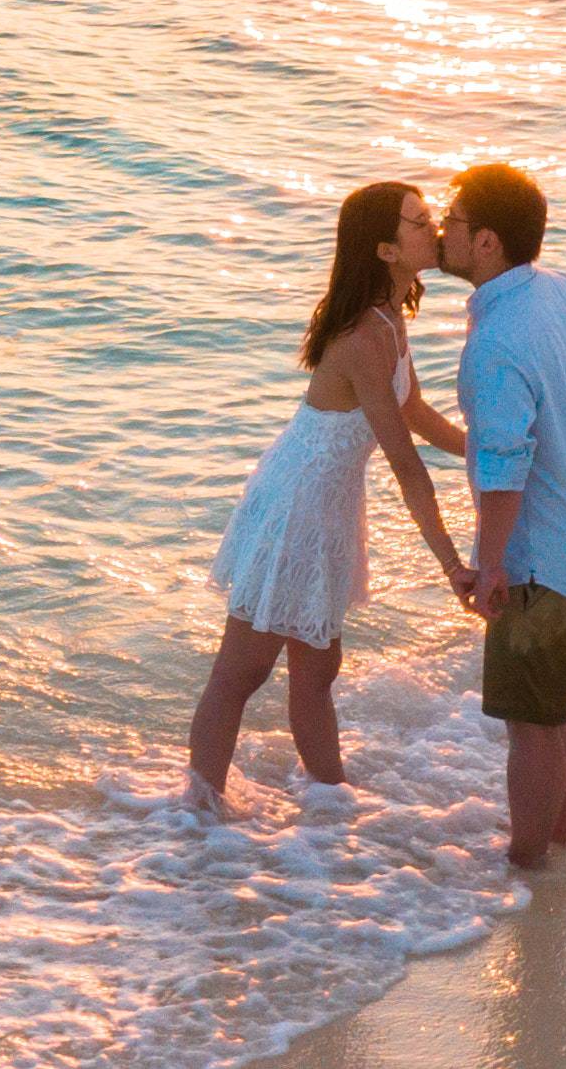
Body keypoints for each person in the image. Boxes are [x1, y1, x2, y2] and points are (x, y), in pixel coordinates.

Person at [187, 180, 478, 815]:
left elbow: (416, 411)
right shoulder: (361, 340)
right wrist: (453, 566)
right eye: (419, 221)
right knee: (242, 671)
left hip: (330, 508)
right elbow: (405, 464)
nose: (433, 229)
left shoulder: (390, 321)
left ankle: (330, 805)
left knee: (317, 672)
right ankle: (196, 816)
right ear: (384, 250)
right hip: (296, 504)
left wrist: (489, 453)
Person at [443, 162, 566, 870]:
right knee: (551, 713)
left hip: (542, 553)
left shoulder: (496, 343)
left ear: (487, 242)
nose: (441, 230)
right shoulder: (562, 290)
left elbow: (505, 469)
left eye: (452, 221)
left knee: (528, 722)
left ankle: (527, 866)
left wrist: (490, 564)